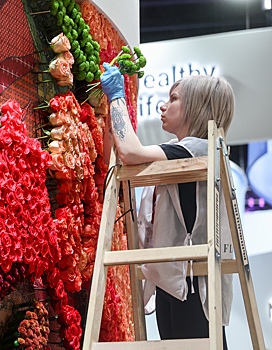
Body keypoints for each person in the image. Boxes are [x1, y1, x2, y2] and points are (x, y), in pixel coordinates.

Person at [100, 62, 235, 349]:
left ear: (197, 107)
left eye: (174, 99)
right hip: (173, 280)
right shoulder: (179, 150)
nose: (163, 106)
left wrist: (116, 97)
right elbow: (123, 156)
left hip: (193, 283)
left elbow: (131, 151)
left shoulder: (199, 148)